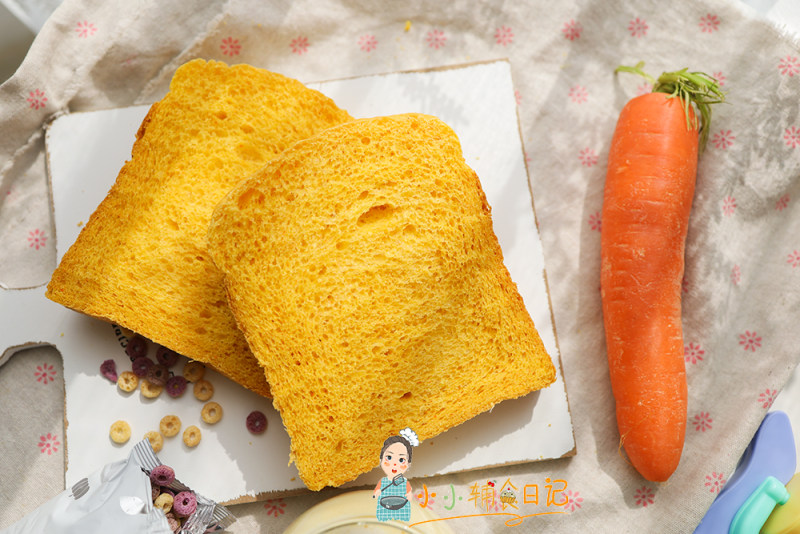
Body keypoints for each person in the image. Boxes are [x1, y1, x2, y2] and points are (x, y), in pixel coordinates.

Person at [373, 427, 419, 522]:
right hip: (384, 507)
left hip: (401, 507)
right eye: (389, 457)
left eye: (401, 460)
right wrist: (377, 492)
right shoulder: (383, 481)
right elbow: (377, 490)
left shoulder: (404, 481)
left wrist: (409, 495)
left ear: (408, 463)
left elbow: (408, 491)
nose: (394, 464)